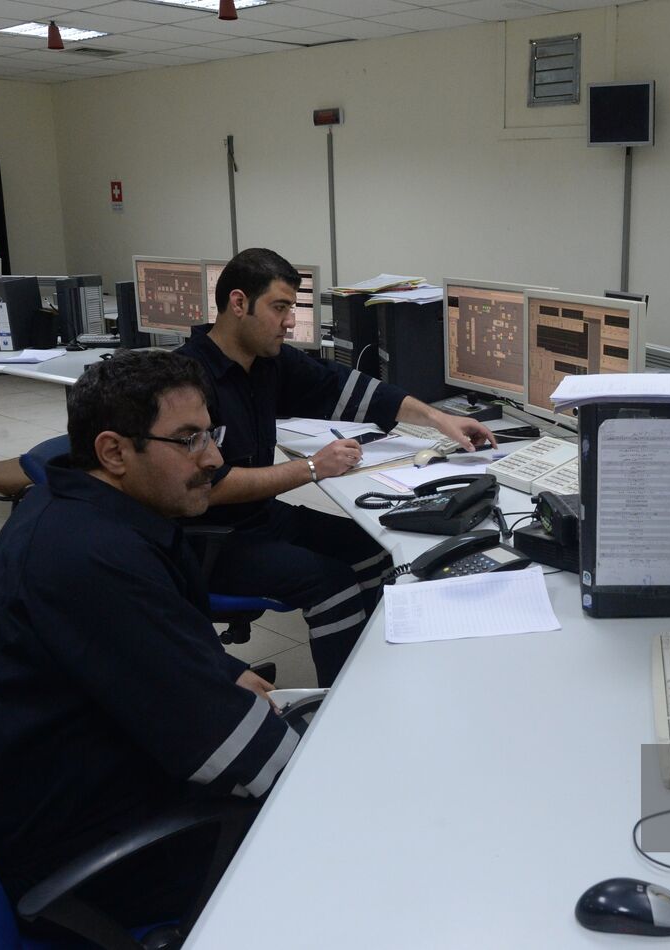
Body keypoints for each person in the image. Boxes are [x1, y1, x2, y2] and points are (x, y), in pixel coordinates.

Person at [0, 349, 298, 934]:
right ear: (114, 451)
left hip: (74, 804)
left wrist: (213, 672)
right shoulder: (92, 563)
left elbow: (141, 652)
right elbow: (257, 762)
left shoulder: (63, 509)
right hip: (103, 872)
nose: (215, 458)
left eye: (210, 433)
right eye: (188, 439)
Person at [176, 247, 495, 687]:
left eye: (293, 307)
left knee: (373, 552)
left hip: (259, 518)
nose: (291, 321)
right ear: (237, 303)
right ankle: (345, 701)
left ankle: (381, 676)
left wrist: (441, 418)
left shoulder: (266, 363)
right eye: (280, 307)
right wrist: (311, 467)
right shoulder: (186, 381)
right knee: (332, 585)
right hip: (207, 538)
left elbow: (349, 388)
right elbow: (206, 486)